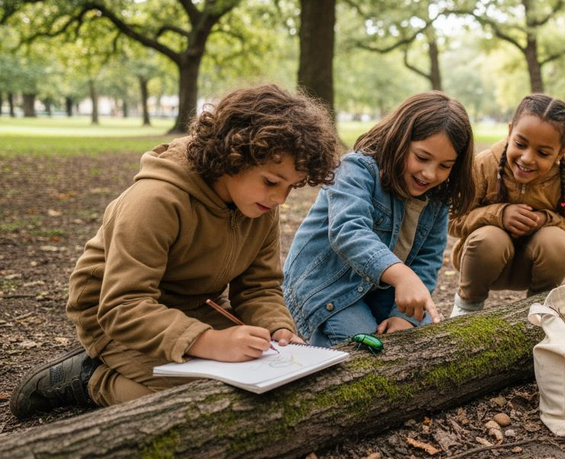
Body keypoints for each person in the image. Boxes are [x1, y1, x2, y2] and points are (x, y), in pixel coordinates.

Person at [10, 84, 340, 418]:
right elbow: (122, 306)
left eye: (291, 187)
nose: (280, 199)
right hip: (115, 318)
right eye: (272, 182)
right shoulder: (155, 200)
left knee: (268, 386)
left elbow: (259, 287)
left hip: (194, 309)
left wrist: (278, 330)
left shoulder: (260, 205)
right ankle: (89, 378)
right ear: (233, 154)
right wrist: (210, 343)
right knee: (207, 399)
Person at [283, 91, 475, 347]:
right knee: (365, 343)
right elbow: (349, 231)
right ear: (399, 139)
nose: (430, 174)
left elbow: (427, 261)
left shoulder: (437, 198)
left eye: (445, 165)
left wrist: (403, 317)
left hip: (378, 294)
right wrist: (401, 276)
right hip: (325, 290)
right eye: (422, 157)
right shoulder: (356, 170)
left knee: (421, 337)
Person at [448, 94, 565, 317]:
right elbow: (452, 220)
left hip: (531, 268)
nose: (527, 158)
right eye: (520, 144)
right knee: (490, 238)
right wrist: (498, 215)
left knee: (557, 242)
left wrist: (545, 220)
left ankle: (539, 309)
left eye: (543, 153)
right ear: (510, 131)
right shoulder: (483, 165)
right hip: (481, 262)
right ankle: (467, 307)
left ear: (561, 152)